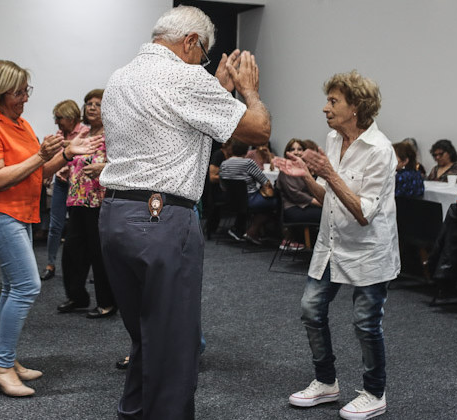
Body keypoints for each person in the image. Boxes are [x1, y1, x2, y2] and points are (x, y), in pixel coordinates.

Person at [98, 5, 271, 419]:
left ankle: (135, 411)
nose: (203, 62)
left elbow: (175, 124)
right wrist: (249, 91)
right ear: (191, 41)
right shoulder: (185, 76)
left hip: (115, 216)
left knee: (146, 336)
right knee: (175, 345)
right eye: (203, 52)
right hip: (161, 220)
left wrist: (211, 85)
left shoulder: (120, 77)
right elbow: (258, 130)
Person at [0, 60, 100, 397]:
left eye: (27, 90)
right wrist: (41, 156)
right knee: (27, 286)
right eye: (18, 91)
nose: (25, 97)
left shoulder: (20, 124)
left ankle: (6, 362)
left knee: (14, 288)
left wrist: (67, 153)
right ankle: (0, 364)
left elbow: (37, 173)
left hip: (21, 212)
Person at [274, 70, 399, 420]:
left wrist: (328, 174)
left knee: (366, 322)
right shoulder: (332, 139)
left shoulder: (380, 151)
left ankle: (375, 392)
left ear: (356, 107)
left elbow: (363, 213)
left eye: (333, 101)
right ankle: (326, 382)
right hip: (331, 245)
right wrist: (308, 180)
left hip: (369, 249)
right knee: (311, 310)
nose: (325, 108)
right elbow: (330, 196)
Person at [56, 89, 116, 318]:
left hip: (100, 203)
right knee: (72, 253)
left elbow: (126, 165)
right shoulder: (81, 134)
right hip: (77, 200)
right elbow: (74, 160)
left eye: (97, 104)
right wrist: (66, 167)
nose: (91, 107)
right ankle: (77, 296)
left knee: (99, 255)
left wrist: (104, 169)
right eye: (88, 103)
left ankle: (107, 302)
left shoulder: (113, 135)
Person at [40, 100, 89, 281]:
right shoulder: (60, 134)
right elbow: (55, 156)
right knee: (55, 226)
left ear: (70, 117)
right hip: (61, 182)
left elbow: (81, 150)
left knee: (83, 229)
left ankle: (88, 267)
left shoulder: (84, 132)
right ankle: (50, 264)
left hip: (80, 186)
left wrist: (63, 145)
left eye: (59, 118)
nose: (56, 122)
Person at [219, 139, 278, 245]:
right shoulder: (248, 163)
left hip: (230, 201)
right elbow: (264, 180)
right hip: (249, 199)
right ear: (247, 151)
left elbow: (223, 185)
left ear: (231, 149)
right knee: (276, 203)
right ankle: (252, 231)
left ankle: (245, 230)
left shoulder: (224, 164)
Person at [276, 138, 322, 250]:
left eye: (300, 149)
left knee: (329, 213)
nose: (296, 152)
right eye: (292, 149)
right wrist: (318, 202)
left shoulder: (303, 167)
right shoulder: (286, 169)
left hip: (303, 206)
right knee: (325, 215)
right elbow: (295, 194)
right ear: (287, 152)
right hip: (293, 208)